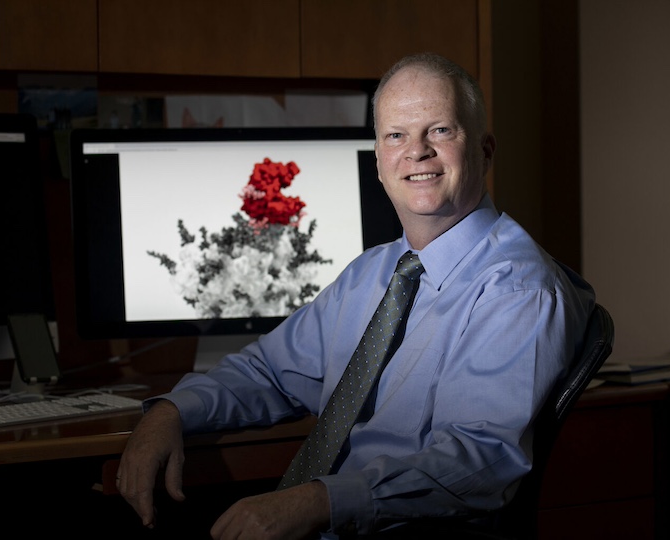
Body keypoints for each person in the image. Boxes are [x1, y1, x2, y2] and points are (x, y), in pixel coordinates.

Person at [115, 52, 596, 539]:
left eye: (441, 131)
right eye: (396, 136)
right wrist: (170, 411)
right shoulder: (375, 272)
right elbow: (269, 371)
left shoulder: (516, 289)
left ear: (486, 151)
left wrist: (315, 501)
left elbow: (480, 460)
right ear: (379, 164)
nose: (417, 152)